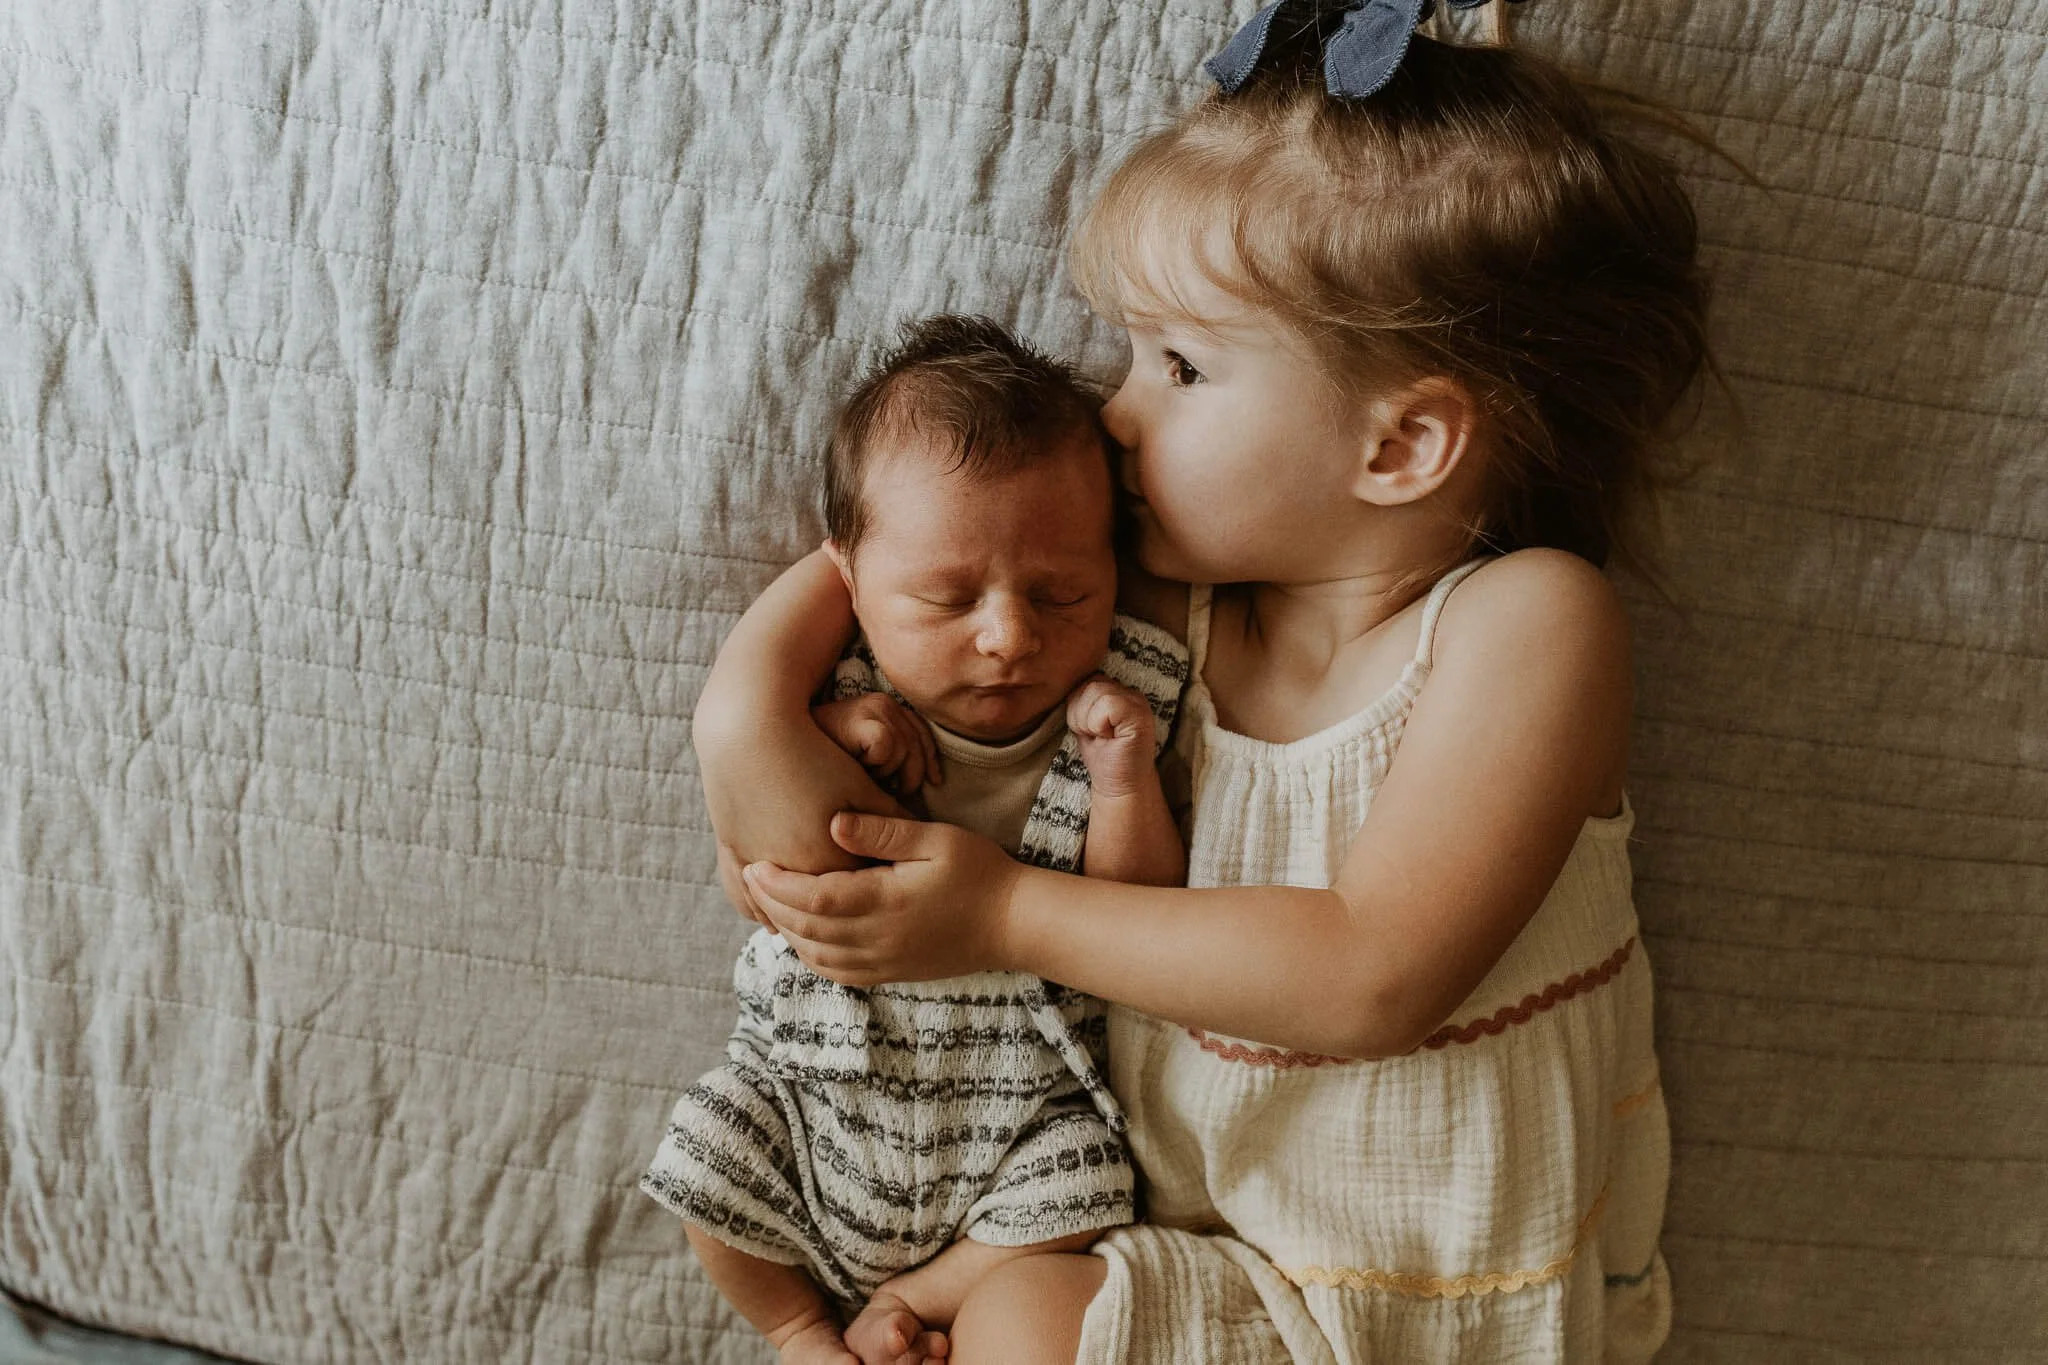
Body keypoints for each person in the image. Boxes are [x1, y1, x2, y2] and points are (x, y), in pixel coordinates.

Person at [694, 14, 1708, 1363]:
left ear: (1400, 443)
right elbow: (840, 813)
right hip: (1202, 1260)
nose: (1112, 415)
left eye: (1176, 367)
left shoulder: (1525, 626)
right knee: (1008, 1326)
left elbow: (1370, 973)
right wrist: (756, 695)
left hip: (1443, 1304)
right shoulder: (1157, 621)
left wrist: (1001, 909)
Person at [644, 314, 1192, 1365]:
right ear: (848, 578)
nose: (1008, 636)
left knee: (1088, 1184)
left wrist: (1123, 780)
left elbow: (1136, 912)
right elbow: (752, 878)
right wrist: (829, 730)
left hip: (1018, 1102)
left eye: (1062, 593)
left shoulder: (1122, 702)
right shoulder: (833, 694)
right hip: (816, 1086)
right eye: (944, 598)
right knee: (704, 1157)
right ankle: (799, 1330)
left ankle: (906, 1301)